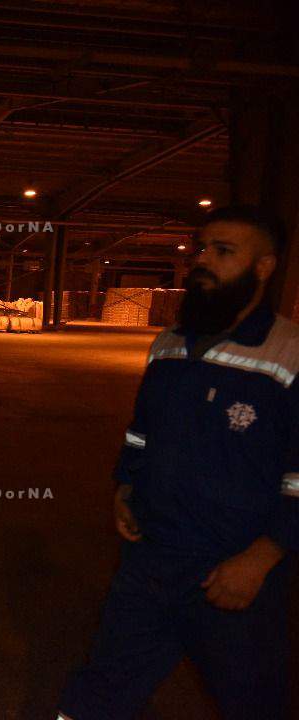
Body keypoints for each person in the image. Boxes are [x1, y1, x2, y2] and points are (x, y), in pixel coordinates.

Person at [57, 205, 299, 720]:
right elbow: (141, 431)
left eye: (223, 251)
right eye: (202, 248)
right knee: (100, 690)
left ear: (263, 267)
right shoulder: (167, 345)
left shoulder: (289, 355)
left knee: (252, 701)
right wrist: (126, 485)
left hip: (230, 571)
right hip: (151, 558)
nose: (203, 260)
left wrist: (262, 558)